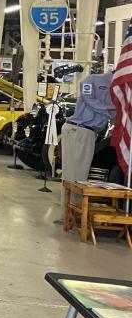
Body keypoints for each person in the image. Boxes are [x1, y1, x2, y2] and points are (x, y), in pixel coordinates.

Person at [61, 70, 114, 215]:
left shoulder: (120, 91)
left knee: (80, 176)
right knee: (72, 176)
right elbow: (89, 99)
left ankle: (72, 213)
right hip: (78, 129)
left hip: (88, 133)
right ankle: (67, 215)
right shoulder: (93, 79)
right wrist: (112, 106)